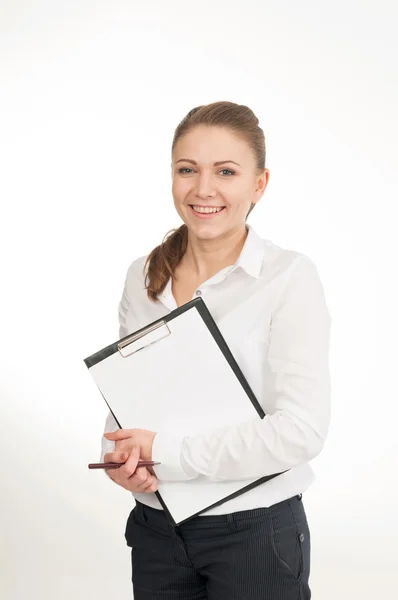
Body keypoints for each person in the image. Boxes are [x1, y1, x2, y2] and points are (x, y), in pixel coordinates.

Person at [100, 101, 331, 599]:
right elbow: (127, 400)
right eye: (188, 170)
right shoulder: (142, 277)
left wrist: (164, 453)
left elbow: (301, 433)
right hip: (157, 531)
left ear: (259, 184)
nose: (203, 189)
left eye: (225, 171)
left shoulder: (288, 277)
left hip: (256, 533)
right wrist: (122, 458)